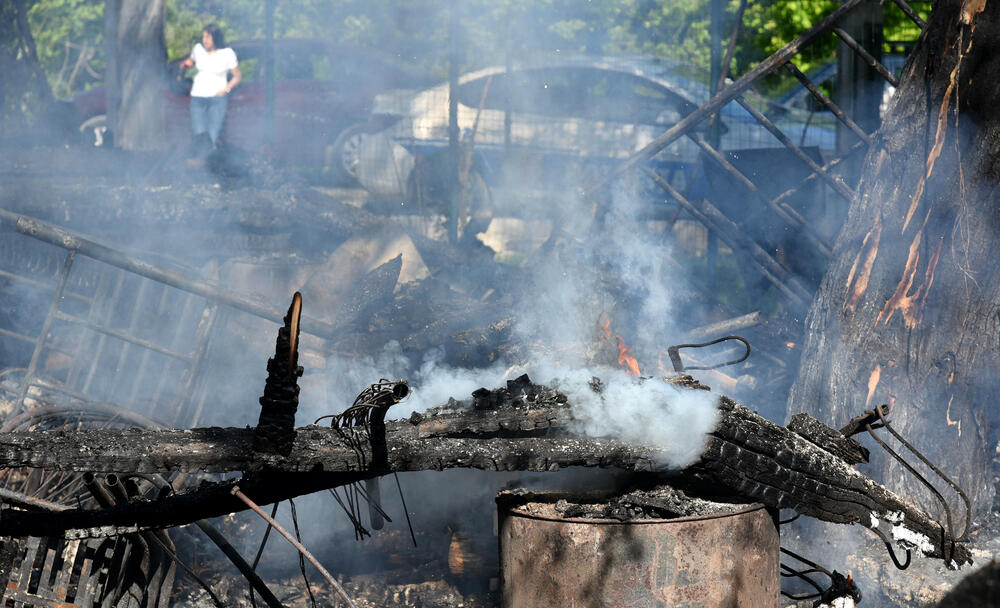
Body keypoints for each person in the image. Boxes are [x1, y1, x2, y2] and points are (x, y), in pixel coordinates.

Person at [179, 24, 240, 151]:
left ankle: (209, 160)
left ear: (215, 37)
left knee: (212, 135)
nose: (204, 40)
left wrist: (226, 89)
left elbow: (237, 76)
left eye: (208, 37)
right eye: (203, 37)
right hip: (197, 97)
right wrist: (185, 65)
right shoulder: (198, 49)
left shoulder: (227, 53)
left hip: (217, 98)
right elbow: (191, 61)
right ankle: (200, 159)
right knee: (199, 135)